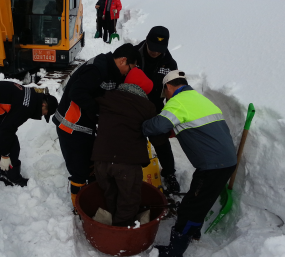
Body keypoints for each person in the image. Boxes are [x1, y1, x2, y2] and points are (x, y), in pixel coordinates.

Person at [142, 70, 237, 257]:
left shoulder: (178, 101)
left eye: (165, 95)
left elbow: (159, 125)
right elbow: (195, 125)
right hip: (226, 161)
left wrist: (143, 126)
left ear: (169, 87)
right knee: (201, 200)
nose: (166, 99)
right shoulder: (198, 99)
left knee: (190, 207)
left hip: (212, 166)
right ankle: (193, 232)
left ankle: (174, 251)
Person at [53, 43, 139, 210]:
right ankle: (79, 208)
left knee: (92, 165)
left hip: (85, 127)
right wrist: (98, 112)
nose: (129, 72)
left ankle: (93, 200)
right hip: (71, 126)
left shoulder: (112, 71)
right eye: (130, 67)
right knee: (79, 171)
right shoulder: (97, 69)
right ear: (123, 61)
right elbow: (77, 92)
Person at [92, 67, 166, 226]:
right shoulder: (147, 107)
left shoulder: (106, 97)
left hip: (100, 161)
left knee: (111, 195)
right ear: (143, 90)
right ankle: (120, 234)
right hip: (127, 164)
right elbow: (157, 137)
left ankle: (110, 226)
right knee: (129, 200)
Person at [0, 81, 58, 187]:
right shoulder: (26, 107)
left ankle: (4, 169)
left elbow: (42, 91)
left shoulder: (34, 95)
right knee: (10, 145)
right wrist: (5, 155)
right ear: (43, 104)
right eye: (44, 113)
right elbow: (7, 130)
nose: (42, 115)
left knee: (2, 140)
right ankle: (11, 177)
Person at [134, 26, 180, 195]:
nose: (155, 52)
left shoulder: (170, 64)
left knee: (161, 141)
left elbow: (173, 92)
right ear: (146, 40)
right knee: (129, 140)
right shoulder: (134, 55)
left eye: (159, 49)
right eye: (152, 48)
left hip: (154, 109)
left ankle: (169, 173)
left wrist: (172, 119)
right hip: (133, 106)